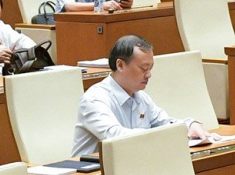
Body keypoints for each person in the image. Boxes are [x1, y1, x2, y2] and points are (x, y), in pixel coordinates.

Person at [71, 36, 210, 157]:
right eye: (144, 69)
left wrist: (189, 124)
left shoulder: (140, 97)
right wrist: (159, 135)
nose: (149, 74)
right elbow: (115, 137)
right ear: (120, 65)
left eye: (151, 68)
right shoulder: (94, 99)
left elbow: (165, 122)